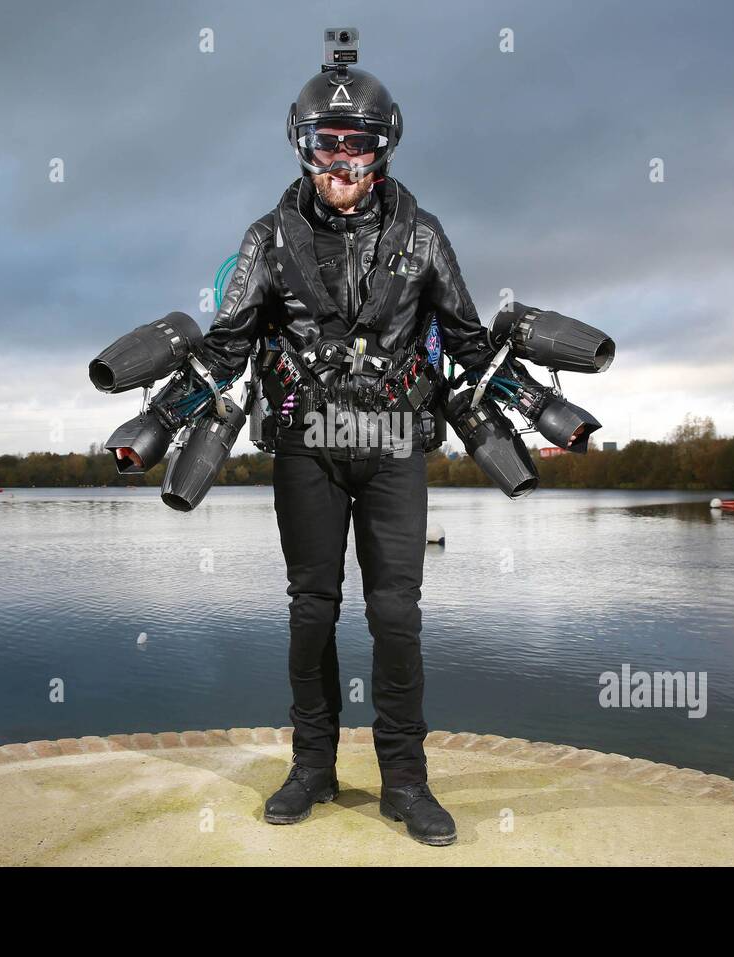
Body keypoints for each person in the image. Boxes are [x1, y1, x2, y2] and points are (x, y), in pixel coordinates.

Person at [150, 60, 500, 846]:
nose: (340, 161)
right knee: (312, 610)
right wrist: (173, 399)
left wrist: (524, 384)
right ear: (301, 147)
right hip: (306, 448)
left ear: (385, 148)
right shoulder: (267, 238)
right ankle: (312, 767)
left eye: (357, 144)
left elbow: (473, 344)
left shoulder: (424, 234)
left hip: (394, 446)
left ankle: (405, 781)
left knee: (396, 614)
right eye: (323, 143)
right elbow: (230, 342)